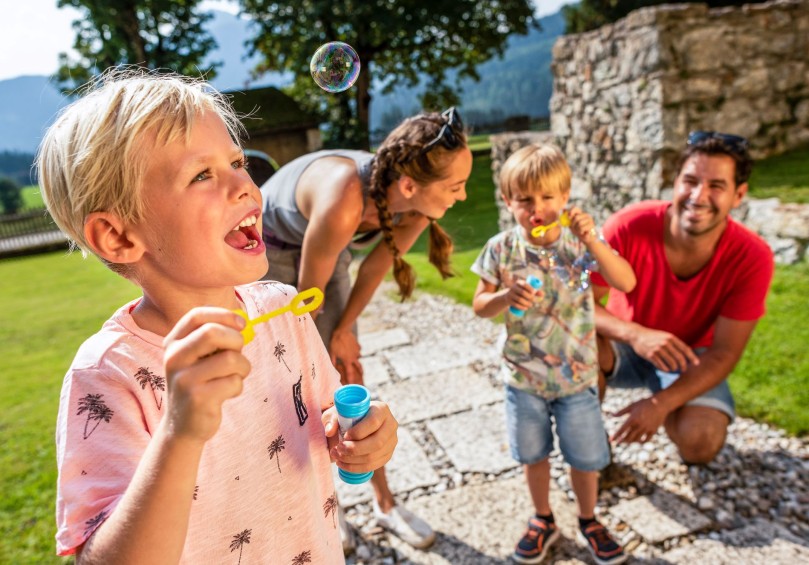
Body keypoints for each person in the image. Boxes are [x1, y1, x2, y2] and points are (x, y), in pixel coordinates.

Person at [37, 68, 398, 563]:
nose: (247, 187)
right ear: (119, 237)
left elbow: (333, 421)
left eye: (237, 161)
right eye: (202, 174)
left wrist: (365, 435)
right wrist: (180, 432)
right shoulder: (109, 375)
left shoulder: (281, 311)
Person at [260, 107, 472, 549]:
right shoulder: (344, 196)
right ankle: (323, 509)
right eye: (455, 186)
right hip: (268, 250)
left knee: (350, 378)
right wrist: (322, 355)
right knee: (297, 387)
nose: (465, 196)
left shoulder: (413, 206)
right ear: (411, 185)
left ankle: (385, 504)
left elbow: (374, 269)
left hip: (322, 249)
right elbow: (305, 309)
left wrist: (345, 331)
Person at [471, 144, 636, 565]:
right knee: (534, 454)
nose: (536, 208)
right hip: (523, 379)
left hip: (577, 378)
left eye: (547, 197)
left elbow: (625, 280)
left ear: (565, 199)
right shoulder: (501, 248)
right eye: (525, 200)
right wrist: (505, 295)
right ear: (508, 201)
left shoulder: (578, 247)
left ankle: (589, 519)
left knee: (584, 459)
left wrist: (593, 240)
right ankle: (543, 518)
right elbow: (479, 305)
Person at [592, 131, 774, 465]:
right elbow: (575, 306)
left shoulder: (753, 256)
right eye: (689, 181)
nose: (698, 195)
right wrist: (636, 334)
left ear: (739, 195)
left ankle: (672, 404)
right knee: (573, 343)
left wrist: (660, 405)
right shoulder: (628, 225)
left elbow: (724, 353)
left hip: (690, 357)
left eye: (716, 186)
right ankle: (589, 450)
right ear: (675, 182)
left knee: (700, 442)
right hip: (622, 345)